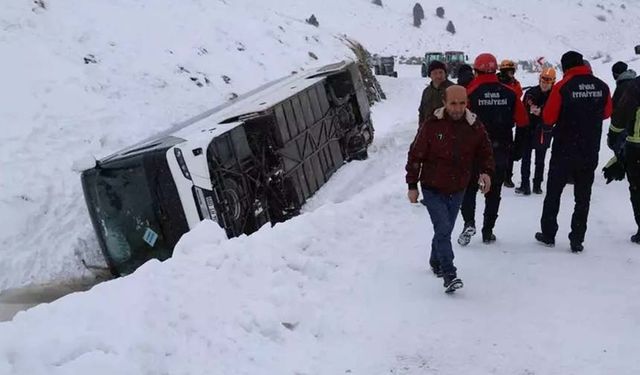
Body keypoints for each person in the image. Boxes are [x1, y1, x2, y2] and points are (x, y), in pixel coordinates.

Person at [406, 85, 494, 293]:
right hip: (432, 187)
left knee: (443, 230)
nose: (458, 108)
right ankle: (449, 274)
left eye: (462, 103)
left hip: (458, 188)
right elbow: (415, 155)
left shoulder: (474, 125)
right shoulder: (431, 125)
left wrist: (486, 172)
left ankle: (435, 261)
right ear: (444, 103)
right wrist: (412, 185)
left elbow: (485, 151)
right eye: (453, 103)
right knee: (444, 228)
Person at [535, 51, 612, 252]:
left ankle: (549, 233)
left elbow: (549, 117)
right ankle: (577, 238)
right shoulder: (602, 86)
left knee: (554, 192)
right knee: (583, 196)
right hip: (589, 149)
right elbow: (607, 113)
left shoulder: (562, 87)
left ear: (565, 67)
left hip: (564, 149)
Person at [458, 53, 528, 246]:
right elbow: (523, 122)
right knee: (494, 191)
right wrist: (517, 148)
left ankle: (468, 222)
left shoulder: (469, 93)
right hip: (500, 149)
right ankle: (488, 231)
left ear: (475, 70)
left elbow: (457, 123)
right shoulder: (510, 93)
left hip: (473, 150)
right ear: (495, 70)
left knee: (469, 189)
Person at [608, 70, 640, 243]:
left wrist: (613, 135)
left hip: (636, 144)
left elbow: (621, 114)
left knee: (637, 188)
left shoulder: (636, 86)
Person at [515, 67, 556, 195]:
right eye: (543, 80)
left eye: (547, 81)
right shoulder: (531, 92)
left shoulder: (555, 95)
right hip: (529, 129)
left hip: (544, 130)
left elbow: (555, 111)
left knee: (540, 159)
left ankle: (537, 185)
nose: (544, 83)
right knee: (526, 158)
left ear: (552, 82)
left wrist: (542, 111)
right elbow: (523, 108)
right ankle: (525, 185)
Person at [497, 59, 524, 188]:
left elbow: (518, 93)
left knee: (508, 150)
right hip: (494, 120)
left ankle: (507, 176)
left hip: (507, 122)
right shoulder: (495, 82)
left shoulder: (515, 84)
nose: (510, 74)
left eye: (512, 71)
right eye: (508, 72)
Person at [418, 60, 454, 126]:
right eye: (435, 73)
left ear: (445, 74)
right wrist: (421, 130)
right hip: (429, 131)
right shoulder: (426, 92)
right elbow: (422, 112)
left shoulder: (453, 89)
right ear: (430, 75)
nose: (438, 76)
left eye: (441, 72)